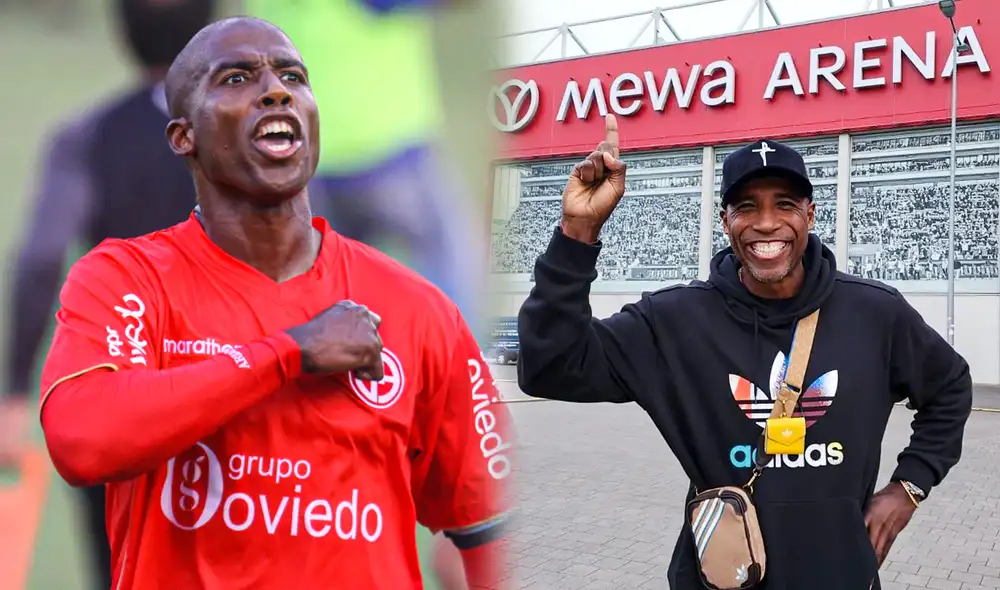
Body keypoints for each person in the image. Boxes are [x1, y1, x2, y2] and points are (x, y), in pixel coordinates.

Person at [37, 15, 512, 589]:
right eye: (236, 78)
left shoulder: (416, 309)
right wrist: (287, 354)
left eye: (292, 76)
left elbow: (492, 536)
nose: (275, 89)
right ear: (183, 136)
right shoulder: (125, 281)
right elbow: (82, 439)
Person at [516, 115, 972, 589]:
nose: (767, 223)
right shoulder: (674, 321)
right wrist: (577, 233)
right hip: (723, 576)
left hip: (843, 574)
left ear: (810, 215)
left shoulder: (874, 313)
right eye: (747, 207)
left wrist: (908, 487)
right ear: (725, 221)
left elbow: (951, 387)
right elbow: (550, 367)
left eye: (786, 205)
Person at [0, 1, 214, 588]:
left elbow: (42, 258)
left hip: (117, 396)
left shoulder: (87, 137)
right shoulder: (254, 136)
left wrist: (15, 390)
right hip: (228, 391)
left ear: (122, 32)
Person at [245, 0, 488, 339]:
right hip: (386, 148)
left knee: (325, 304)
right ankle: (455, 376)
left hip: (299, 159)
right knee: (449, 276)